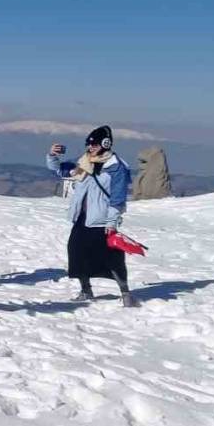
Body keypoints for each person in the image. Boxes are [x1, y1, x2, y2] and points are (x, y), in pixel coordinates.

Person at [47, 126, 136, 307]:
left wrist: (112, 222)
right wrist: (52, 156)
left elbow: (118, 198)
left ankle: (125, 293)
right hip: (82, 217)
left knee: (111, 258)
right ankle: (85, 289)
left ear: (105, 143)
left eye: (94, 144)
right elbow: (62, 171)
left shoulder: (116, 167)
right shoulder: (85, 163)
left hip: (102, 220)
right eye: (88, 144)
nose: (90, 148)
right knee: (77, 254)